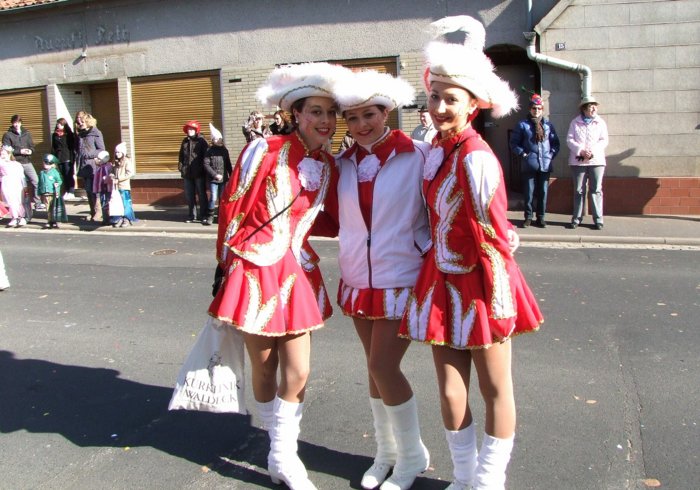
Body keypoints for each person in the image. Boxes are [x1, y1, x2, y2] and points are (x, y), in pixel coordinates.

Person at [398, 16, 543, 490]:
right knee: (449, 388)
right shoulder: (437, 150)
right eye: (434, 96)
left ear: (474, 104)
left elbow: (494, 232)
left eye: (451, 99)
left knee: (494, 385)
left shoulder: (476, 156)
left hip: (482, 283)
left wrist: (500, 283)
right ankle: (463, 476)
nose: (439, 107)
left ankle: (488, 479)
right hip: (441, 280)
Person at [208, 62, 346, 490]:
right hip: (256, 269)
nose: (325, 120)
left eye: (331, 112)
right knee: (265, 369)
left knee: (298, 371)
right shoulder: (264, 150)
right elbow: (233, 207)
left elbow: (333, 220)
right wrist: (227, 265)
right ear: (296, 114)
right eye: (316, 111)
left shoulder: (329, 165)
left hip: (297, 270)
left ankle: (285, 457)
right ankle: (275, 447)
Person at [330, 69, 431, 490]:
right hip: (357, 277)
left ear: (386, 112)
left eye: (369, 114)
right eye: (352, 118)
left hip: (400, 277)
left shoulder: (419, 155)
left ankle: (411, 456)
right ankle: (385, 453)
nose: (361, 125)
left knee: (383, 366)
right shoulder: (340, 164)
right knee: (373, 370)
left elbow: (445, 208)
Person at [509, 93, 560, 228]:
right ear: (530, 109)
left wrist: (551, 155)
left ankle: (541, 217)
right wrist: (523, 154)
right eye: (534, 108)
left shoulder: (548, 125)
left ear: (542, 109)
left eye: (539, 108)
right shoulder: (522, 125)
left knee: (543, 192)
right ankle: (528, 217)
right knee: (529, 192)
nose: (536, 110)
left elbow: (555, 143)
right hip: (529, 163)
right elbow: (514, 143)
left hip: (545, 163)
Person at [566, 96, 609, 230]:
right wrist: (581, 151)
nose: (594, 108)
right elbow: (569, 140)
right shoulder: (575, 122)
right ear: (584, 109)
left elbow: (604, 140)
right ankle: (576, 218)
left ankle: (598, 219)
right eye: (591, 106)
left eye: (595, 106)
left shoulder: (600, 122)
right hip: (578, 162)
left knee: (596, 190)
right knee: (579, 190)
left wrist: (592, 151)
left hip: (596, 161)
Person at [2, 114, 42, 211]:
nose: (16, 124)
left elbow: (32, 146)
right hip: (15, 163)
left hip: (26, 161)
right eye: (15, 123)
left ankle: (38, 202)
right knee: (18, 185)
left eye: (18, 122)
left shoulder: (26, 133)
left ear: (21, 123)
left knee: (36, 180)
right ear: (12, 123)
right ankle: (19, 205)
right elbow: (6, 150)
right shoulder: (7, 135)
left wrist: (30, 151)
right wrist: (20, 151)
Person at [74, 111, 105, 221]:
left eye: (82, 122)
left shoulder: (96, 133)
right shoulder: (81, 134)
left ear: (88, 122)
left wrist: (89, 154)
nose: (79, 124)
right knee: (88, 190)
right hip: (83, 165)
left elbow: (101, 149)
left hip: (93, 166)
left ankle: (98, 211)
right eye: (78, 122)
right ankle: (92, 212)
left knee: (94, 189)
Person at [178, 120, 209, 223]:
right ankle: (192, 216)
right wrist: (181, 166)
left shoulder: (202, 141)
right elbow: (181, 155)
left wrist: (203, 168)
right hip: (187, 173)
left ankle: (204, 215)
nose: (190, 130)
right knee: (189, 195)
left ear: (196, 130)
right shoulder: (185, 141)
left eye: (192, 129)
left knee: (202, 195)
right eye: (188, 129)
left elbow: (206, 156)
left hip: (199, 173)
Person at [202, 123, 232, 226]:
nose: (218, 140)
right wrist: (214, 175)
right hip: (213, 179)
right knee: (213, 197)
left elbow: (228, 164)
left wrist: (231, 175)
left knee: (222, 198)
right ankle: (210, 216)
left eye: (219, 139)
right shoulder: (209, 151)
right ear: (213, 140)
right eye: (216, 139)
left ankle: (220, 217)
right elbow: (206, 164)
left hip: (223, 179)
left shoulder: (224, 151)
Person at [0, 145, 27, 228]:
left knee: (18, 200)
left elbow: (22, 176)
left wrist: (25, 186)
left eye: (4, 154)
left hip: (16, 183)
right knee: (11, 201)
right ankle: (14, 217)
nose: (2, 155)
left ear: (9, 154)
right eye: (1, 154)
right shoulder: (1, 163)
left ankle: (22, 217)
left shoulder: (16, 164)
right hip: (6, 183)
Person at [37, 154, 67, 229]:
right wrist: (39, 192)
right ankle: (50, 221)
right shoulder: (42, 173)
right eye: (44, 163)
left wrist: (57, 184)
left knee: (54, 207)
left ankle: (55, 221)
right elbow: (39, 183)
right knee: (48, 208)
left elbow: (59, 180)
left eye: (47, 163)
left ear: (52, 164)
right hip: (45, 193)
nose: (45, 165)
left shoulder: (54, 172)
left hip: (53, 193)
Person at [112, 143, 137, 227]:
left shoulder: (127, 161)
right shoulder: (116, 162)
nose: (117, 154)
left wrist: (119, 179)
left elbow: (130, 173)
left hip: (124, 186)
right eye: (116, 152)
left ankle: (127, 219)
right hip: (116, 187)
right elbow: (112, 171)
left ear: (123, 152)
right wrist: (111, 175)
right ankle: (119, 218)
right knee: (118, 203)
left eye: (119, 152)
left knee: (126, 203)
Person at [51, 117, 76, 200]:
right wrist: (53, 158)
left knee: (69, 174)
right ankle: (67, 190)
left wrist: (72, 158)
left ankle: (71, 191)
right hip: (59, 157)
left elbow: (72, 147)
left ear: (64, 125)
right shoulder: (55, 135)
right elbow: (53, 147)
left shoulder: (69, 134)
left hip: (67, 156)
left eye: (61, 124)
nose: (59, 125)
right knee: (63, 175)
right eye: (58, 124)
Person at [92, 150, 113, 224]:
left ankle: (109, 219)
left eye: (99, 159)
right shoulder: (99, 168)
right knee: (103, 204)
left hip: (107, 189)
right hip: (101, 190)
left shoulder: (109, 167)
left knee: (107, 204)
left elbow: (110, 177)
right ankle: (105, 219)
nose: (97, 160)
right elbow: (97, 180)